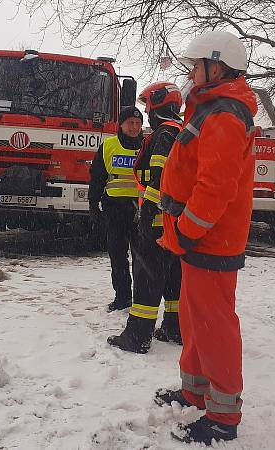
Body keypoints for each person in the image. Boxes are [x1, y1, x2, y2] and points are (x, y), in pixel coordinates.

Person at [152, 30, 257, 445]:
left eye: (197, 65)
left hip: (210, 239)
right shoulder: (211, 109)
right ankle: (196, 391)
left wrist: (190, 230)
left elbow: (216, 187)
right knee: (196, 320)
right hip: (198, 238)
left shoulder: (225, 115)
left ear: (218, 67)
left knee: (214, 325)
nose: (191, 72)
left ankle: (223, 417)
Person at [107, 82, 184, 354]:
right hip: (175, 221)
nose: (147, 111)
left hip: (157, 220)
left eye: (149, 105)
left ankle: (137, 336)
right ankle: (175, 327)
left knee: (147, 277)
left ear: (159, 105)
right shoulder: (179, 131)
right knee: (174, 276)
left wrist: (148, 214)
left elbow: (158, 178)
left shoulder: (164, 135)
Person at [88, 107, 144, 311]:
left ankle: (141, 300)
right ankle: (122, 297)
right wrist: (93, 204)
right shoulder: (109, 146)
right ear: (121, 124)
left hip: (140, 211)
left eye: (138, 123)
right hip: (115, 210)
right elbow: (97, 177)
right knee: (118, 256)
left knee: (140, 259)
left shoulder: (147, 146)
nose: (135, 127)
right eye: (131, 123)